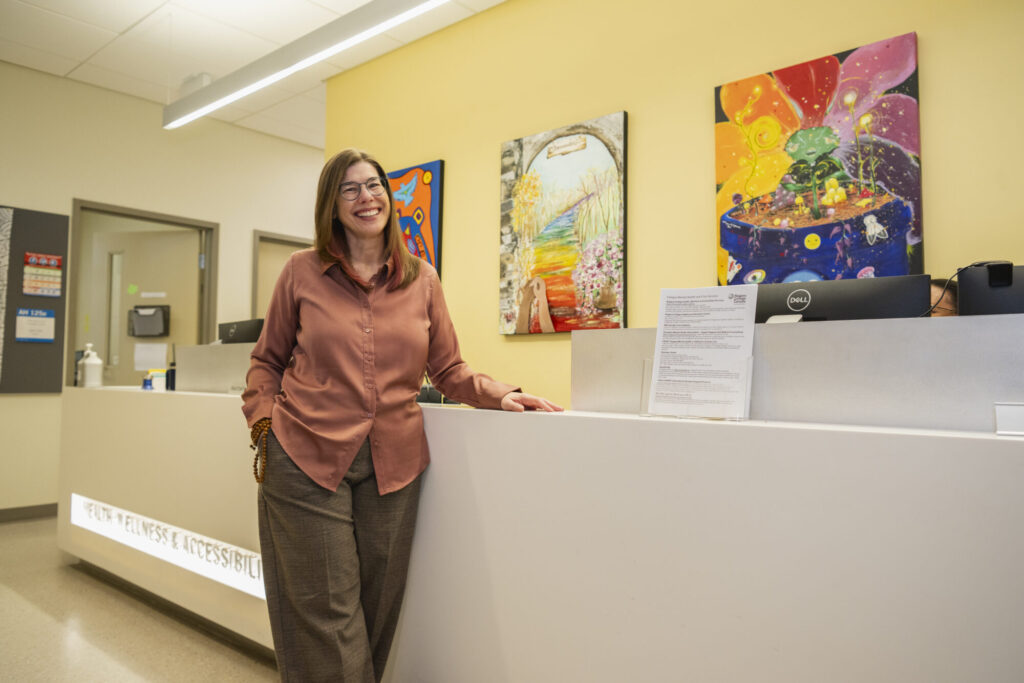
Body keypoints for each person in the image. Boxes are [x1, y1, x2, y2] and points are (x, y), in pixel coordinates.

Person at [242, 148, 562, 682]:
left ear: (389, 198)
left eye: (373, 186)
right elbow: (266, 361)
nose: (365, 198)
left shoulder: (423, 279)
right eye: (349, 189)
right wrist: (264, 425)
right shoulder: (301, 271)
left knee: (375, 610)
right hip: (305, 456)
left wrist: (500, 394)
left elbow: (449, 369)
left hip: (395, 465)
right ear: (332, 204)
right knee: (326, 613)